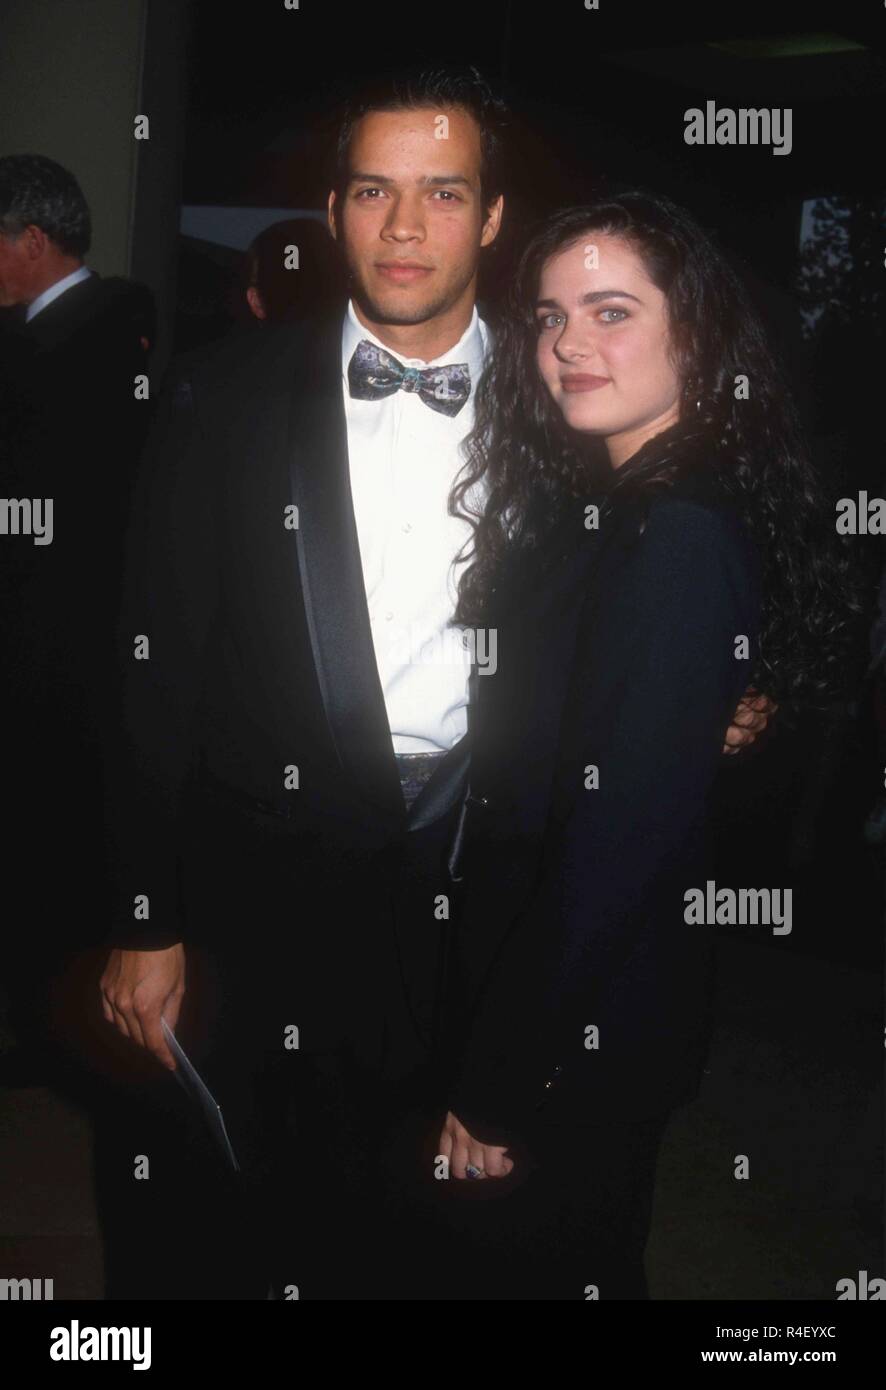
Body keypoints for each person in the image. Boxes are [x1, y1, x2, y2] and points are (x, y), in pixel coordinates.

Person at [98, 72, 769, 1301]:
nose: (404, 229)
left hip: (497, 889)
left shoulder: (568, 392)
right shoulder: (218, 399)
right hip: (272, 882)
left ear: (495, 218)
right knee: (273, 1212)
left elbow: (684, 557)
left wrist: (735, 690)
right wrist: (146, 911)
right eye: (373, 191)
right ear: (336, 210)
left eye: (442, 193)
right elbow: (155, 664)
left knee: (467, 1232)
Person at [434, 192, 862, 1298]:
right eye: (546, 314)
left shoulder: (669, 526)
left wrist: (495, 1081)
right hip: (588, 1001)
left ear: (696, 333)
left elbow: (615, 850)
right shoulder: (631, 495)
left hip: (571, 1020)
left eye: (610, 310)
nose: (568, 341)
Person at [0, 154, 153, 1086]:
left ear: (32, 241)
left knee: (50, 847)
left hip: (53, 647)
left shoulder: (90, 338)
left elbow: (57, 512)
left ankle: (57, 1035)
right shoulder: (78, 333)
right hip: (61, 645)